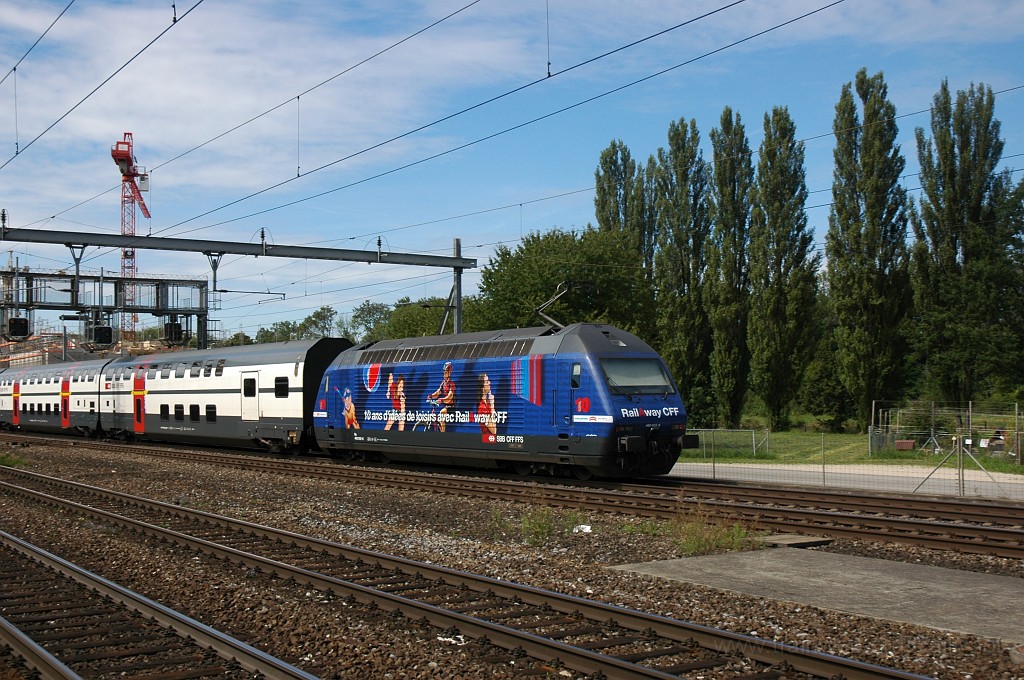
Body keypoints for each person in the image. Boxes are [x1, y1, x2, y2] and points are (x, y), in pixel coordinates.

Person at [428, 361, 456, 432]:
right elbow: (438, 392)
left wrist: (442, 400)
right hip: (445, 406)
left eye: (446, 372)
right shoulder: (443, 383)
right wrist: (431, 396)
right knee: (434, 414)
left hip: (451, 407)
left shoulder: (451, 383)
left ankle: (442, 434)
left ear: (449, 373)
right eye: (444, 372)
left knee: (441, 414)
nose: (444, 373)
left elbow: (450, 396)